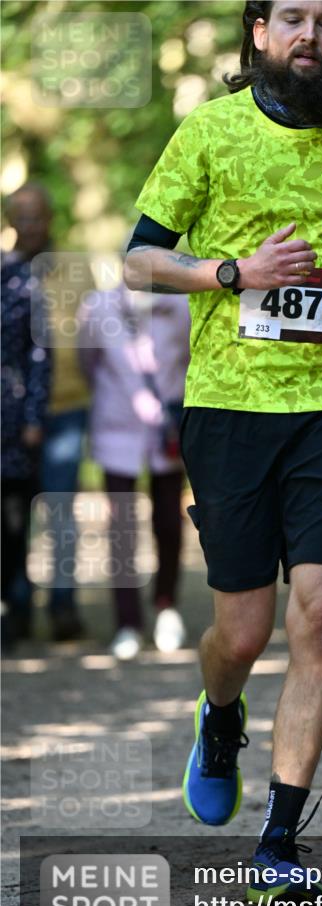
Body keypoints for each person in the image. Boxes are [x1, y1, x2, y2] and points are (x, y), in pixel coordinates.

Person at [125, 0, 322, 903]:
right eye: (291, 18)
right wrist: (232, 273)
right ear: (258, 32)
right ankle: (219, 714)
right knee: (243, 631)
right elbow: (139, 259)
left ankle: (278, 839)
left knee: (316, 615)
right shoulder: (212, 131)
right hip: (227, 408)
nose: (310, 35)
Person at [77, 282, 191, 660]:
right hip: (117, 427)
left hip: (167, 431)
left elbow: (194, 360)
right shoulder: (98, 306)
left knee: (169, 525)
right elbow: (87, 362)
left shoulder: (182, 305)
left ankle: (166, 607)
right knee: (121, 528)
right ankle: (127, 623)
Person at [4, 184, 92, 642]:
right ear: (12, 220)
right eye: (23, 217)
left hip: (67, 409)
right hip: (13, 419)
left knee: (60, 511)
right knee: (15, 514)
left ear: (50, 219)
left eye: (38, 217)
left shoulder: (77, 272)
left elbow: (99, 339)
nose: (31, 226)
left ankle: (63, 607)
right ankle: (16, 606)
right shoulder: (4, 273)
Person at [1, 232, 51, 648]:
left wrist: (34, 417)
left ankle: (14, 610)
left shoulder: (21, 282)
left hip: (13, 427)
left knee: (13, 525)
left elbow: (39, 354)